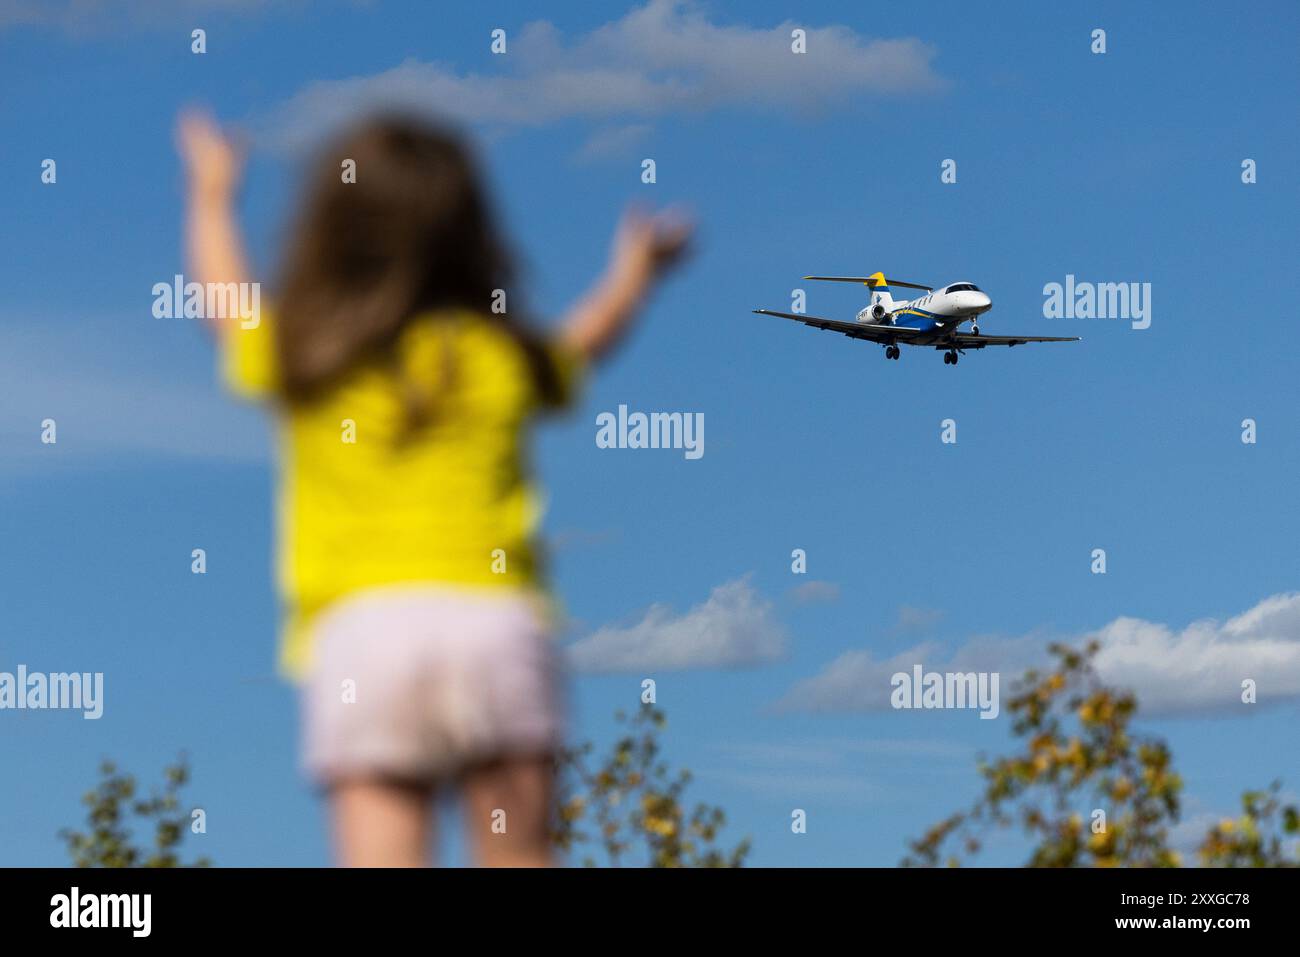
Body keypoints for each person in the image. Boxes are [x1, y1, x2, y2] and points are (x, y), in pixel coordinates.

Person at [176, 110, 691, 867]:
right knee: (518, 853)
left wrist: (213, 195)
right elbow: (585, 338)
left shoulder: (309, 355)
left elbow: (225, 303)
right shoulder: (497, 355)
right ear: (470, 231)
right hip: (495, 625)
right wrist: (636, 273)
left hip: (365, 637)